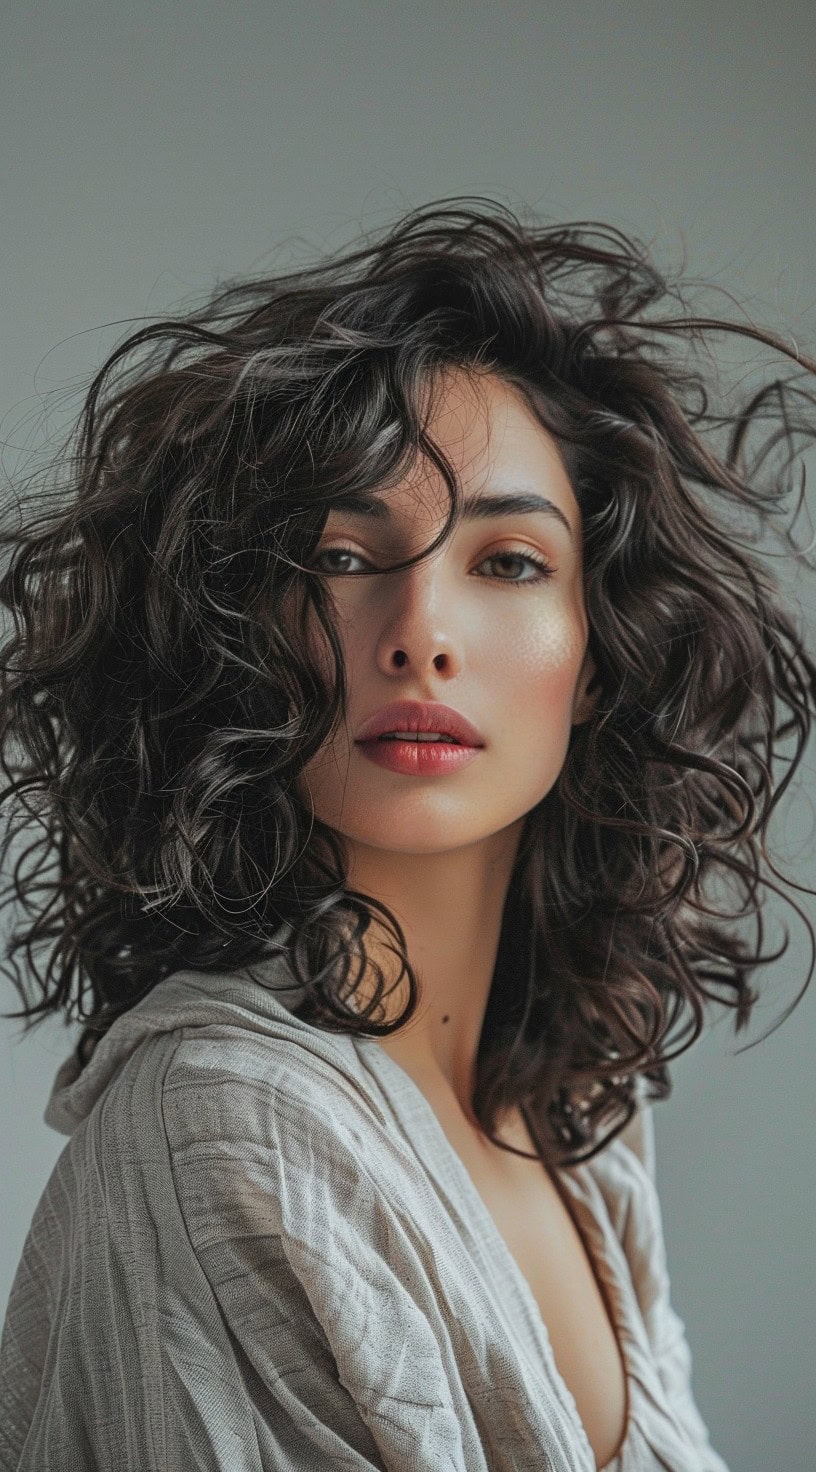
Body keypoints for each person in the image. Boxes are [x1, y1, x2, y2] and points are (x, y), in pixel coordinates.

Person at [1, 197, 814, 1470]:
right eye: (338, 551)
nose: (420, 629)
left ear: (599, 657)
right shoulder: (229, 1125)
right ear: (244, 635)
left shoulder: (575, 1115)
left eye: (507, 562)